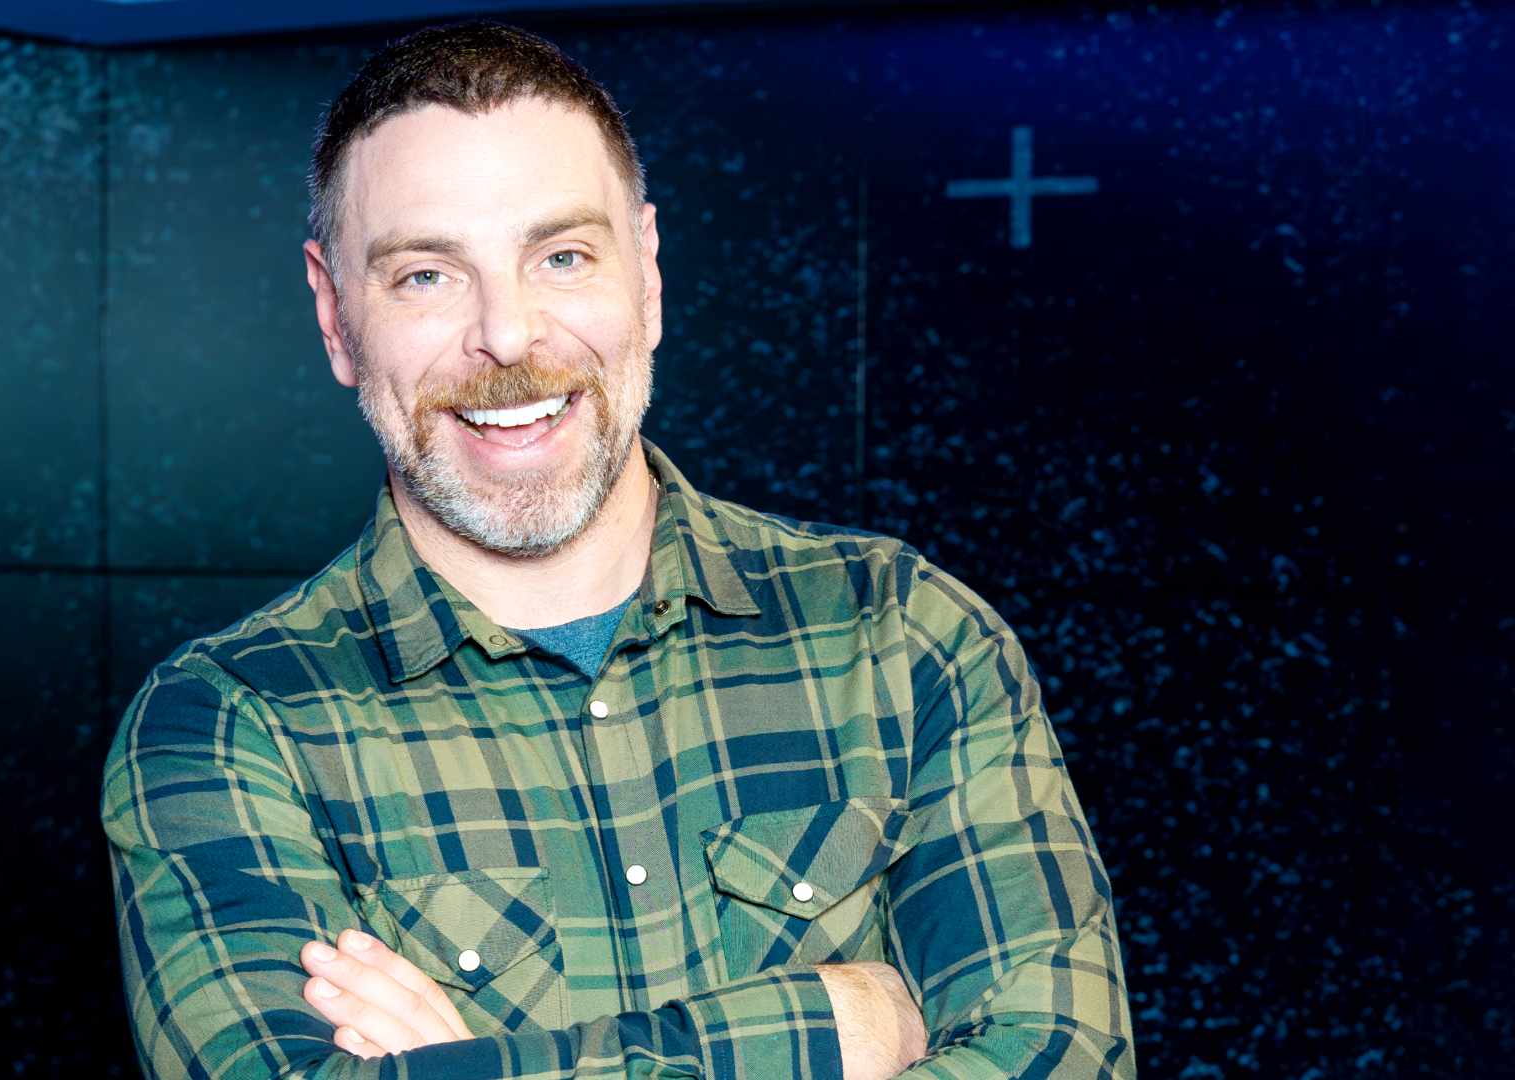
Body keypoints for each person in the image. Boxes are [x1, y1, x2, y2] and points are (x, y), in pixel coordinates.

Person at [101, 19, 1134, 1080]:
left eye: (562, 257)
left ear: (646, 274)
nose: (509, 336)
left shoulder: (905, 637)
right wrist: (832, 1024)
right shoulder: (229, 727)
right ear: (334, 315)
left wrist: (484, 1068)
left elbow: (1071, 1061)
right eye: (426, 275)